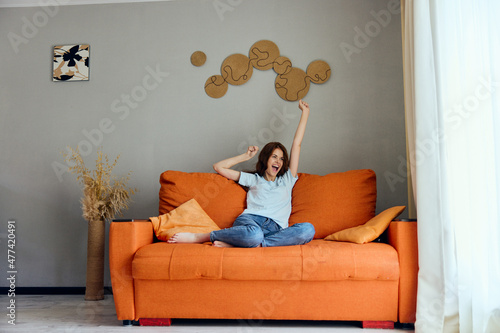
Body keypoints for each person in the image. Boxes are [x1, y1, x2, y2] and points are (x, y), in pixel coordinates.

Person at [168, 100, 315, 247]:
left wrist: (305, 113)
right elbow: (218, 167)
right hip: (251, 223)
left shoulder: (288, 179)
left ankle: (252, 244)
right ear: (266, 159)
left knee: (308, 229)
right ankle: (200, 237)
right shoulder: (253, 179)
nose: (278, 161)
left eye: (282, 158)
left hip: (276, 230)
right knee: (254, 234)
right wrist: (245, 156)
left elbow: (297, 144)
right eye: (274, 157)